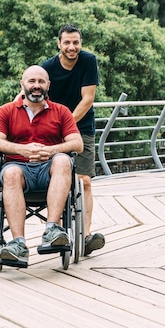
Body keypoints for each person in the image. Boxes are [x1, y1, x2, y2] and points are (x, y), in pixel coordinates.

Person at [0, 65, 84, 267]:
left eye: (41, 82)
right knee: (11, 172)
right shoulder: (6, 111)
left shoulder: (61, 111)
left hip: (49, 170)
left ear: (48, 85)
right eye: (32, 81)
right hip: (18, 169)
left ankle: (52, 230)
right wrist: (21, 150)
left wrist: (51, 150)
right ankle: (17, 244)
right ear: (23, 84)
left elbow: (78, 144)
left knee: (63, 159)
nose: (36, 86)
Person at [41, 24, 105, 255]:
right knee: (54, 176)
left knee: (84, 181)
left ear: (80, 43)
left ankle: (86, 236)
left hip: (82, 128)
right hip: (52, 129)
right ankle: (55, 228)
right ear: (59, 44)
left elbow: (87, 99)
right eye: (67, 42)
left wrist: (67, 123)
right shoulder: (47, 67)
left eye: (75, 42)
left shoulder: (88, 61)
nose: (71, 47)